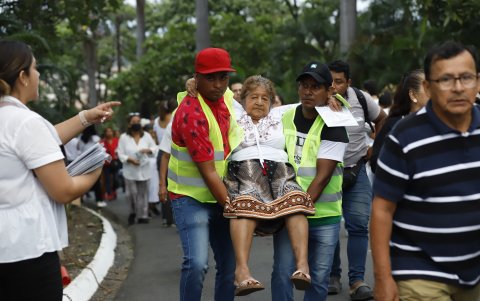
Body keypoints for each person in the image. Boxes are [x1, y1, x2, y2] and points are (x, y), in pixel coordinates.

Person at [0, 40, 119, 301]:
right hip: (27, 251)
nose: (39, 74)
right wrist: (96, 169)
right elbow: (64, 190)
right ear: (22, 77)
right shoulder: (24, 122)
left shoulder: (10, 119)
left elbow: (44, 139)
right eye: (35, 68)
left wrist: (86, 117)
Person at [371, 41, 480, 301]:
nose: (457, 88)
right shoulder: (404, 137)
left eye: (465, 78)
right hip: (419, 271)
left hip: (473, 271)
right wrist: (383, 278)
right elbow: (382, 210)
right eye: (445, 79)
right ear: (428, 88)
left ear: (477, 82)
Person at [222, 75, 315, 296]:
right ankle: (242, 272)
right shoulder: (234, 114)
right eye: (253, 97)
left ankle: (302, 267)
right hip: (245, 171)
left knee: (296, 199)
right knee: (244, 203)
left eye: (265, 98)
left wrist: (333, 98)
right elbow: (214, 87)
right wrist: (191, 83)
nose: (260, 102)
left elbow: (312, 102)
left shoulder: (280, 115)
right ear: (242, 99)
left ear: (273, 102)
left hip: (280, 172)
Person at [168, 47, 242, 301]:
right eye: (210, 78)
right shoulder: (191, 113)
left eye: (223, 77)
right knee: (197, 264)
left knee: (229, 266)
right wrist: (236, 209)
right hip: (190, 198)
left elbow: (260, 105)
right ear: (196, 77)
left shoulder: (227, 97)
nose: (218, 84)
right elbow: (209, 172)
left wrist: (329, 100)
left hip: (221, 194)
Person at [271, 61, 349, 301]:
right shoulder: (282, 116)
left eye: (315, 87)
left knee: (318, 278)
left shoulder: (335, 123)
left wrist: (296, 208)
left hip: (323, 215)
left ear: (329, 92)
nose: (308, 91)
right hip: (288, 212)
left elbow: (323, 176)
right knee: (283, 272)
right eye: (304, 85)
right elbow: (247, 107)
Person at [326, 59, 386, 300]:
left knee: (359, 224)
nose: (333, 86)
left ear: (348, 82)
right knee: (329, 224)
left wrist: (374, 147)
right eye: (329, 81)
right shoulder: (319, 99)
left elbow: (381, 118)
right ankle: (332, 276)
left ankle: (357, 281)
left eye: (339, 82)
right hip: (327, 173)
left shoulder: (361, 99)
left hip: (357, 169)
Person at [370, 70, 428, 173]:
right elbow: (376, 163)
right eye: (428, 88)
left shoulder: (440, 123)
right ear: (413, 95)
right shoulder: (394, 125)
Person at [117, 113, 157, 225]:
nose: (136, 124)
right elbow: (120, 153)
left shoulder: (147, 136)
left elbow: (154, 147)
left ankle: (143, 215)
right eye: (133, 122)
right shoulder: (124, 137)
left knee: (143, 193)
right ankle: (132, 212)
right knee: (131, 194)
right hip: (130, 170)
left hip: (145, 169)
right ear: (129, 124)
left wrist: (148, 150)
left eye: (138, 122)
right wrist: (130, 159)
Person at [78, 125, 105, 207]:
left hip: (83, 162)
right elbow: (100, 149)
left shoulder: (81, 138)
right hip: (94, 162)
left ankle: (81, 198)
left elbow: (79, 149)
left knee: (82, 181)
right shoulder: (96, 138)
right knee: (97, 182)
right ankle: (99, 200)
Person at [100, 127, 120, 201]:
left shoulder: (117, 141)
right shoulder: (102, 142)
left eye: (110, 131)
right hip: (106, 163)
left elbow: (120, 150)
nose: (109, 133)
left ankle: (114, 190)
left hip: (115, 162)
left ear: (113, 132)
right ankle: (109, 193)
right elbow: (100, 152)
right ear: (105, 133)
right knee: (107, 179)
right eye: (107, 131)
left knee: (116, 179)